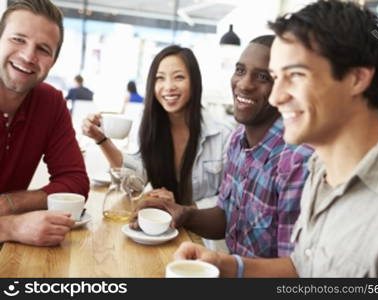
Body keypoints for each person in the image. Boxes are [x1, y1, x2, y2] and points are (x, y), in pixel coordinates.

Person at [173, 0, 378, 277]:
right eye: (277, 77)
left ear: (356, 79)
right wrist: (226, 265)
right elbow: (303, 267)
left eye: (296, 75)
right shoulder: (322, 169)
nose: (277, 97)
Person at [134, 35, 312, 258]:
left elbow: (296, 270)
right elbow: (227, 216)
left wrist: (222, 265)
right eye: (240, 71)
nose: (245, 84)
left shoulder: (296, 159)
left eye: (263, 77)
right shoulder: (238, 141)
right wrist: (182, 214)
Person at [82, 45, 231, 211]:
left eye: (179, 77)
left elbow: (230, 199)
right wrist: (101, 139)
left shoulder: (223, 136)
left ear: (195, 82)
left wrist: (183, 209)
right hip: (159, 226)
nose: (168, 87)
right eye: (160, 78)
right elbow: (135, 182)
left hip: (202, 235)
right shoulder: (150, 127)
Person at [0, 0, 89, 246]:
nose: (28, 56)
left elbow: (76, 183)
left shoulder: (51, 102)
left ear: (53, 61)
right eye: (18, 39)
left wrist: (10, 203)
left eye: (43, 49)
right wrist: (10, 226)